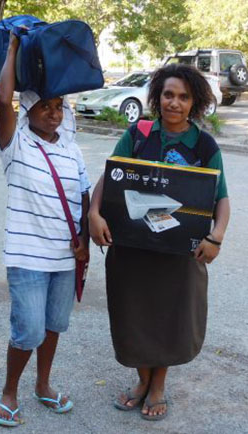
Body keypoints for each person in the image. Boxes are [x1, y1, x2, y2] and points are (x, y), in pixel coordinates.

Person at [88, 63, 230, 421]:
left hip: (179, 255)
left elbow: (221, 198)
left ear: (195, 102)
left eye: (183, 97)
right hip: (133, 250)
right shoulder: (139, 133)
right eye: (168, 94)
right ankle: (142, 381)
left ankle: (158, 386)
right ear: (158, 97)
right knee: (134, 314)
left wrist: (216, 237)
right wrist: (94, 213)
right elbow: (112, 174)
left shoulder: (204, 144)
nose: (175, 103)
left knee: (169, 317)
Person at [0, 33, 90, 427]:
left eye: (58, 107)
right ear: (29, 110)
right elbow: (2, 101)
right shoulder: (16, 146)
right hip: (27, 258)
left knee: (53, 326)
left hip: (65, 257)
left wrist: (84, 239)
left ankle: (43, 386)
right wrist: (14, 48)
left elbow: (83, 195)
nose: (53, 113)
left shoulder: (72, 149)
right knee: (28, 328)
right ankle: (9, 391)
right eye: (45, 107)